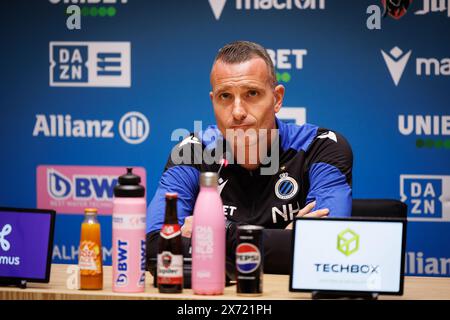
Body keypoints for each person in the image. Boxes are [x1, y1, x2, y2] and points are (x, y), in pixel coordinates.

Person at [146, 41, 353, 275]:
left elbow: (327, 248)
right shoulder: (193, 151)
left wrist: (216, 233)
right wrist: (286, 242)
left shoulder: (321, 146)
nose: (237, 112)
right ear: (213, 101)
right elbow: (155, 246)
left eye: (251, 93)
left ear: (277, 99)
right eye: (225, 96)